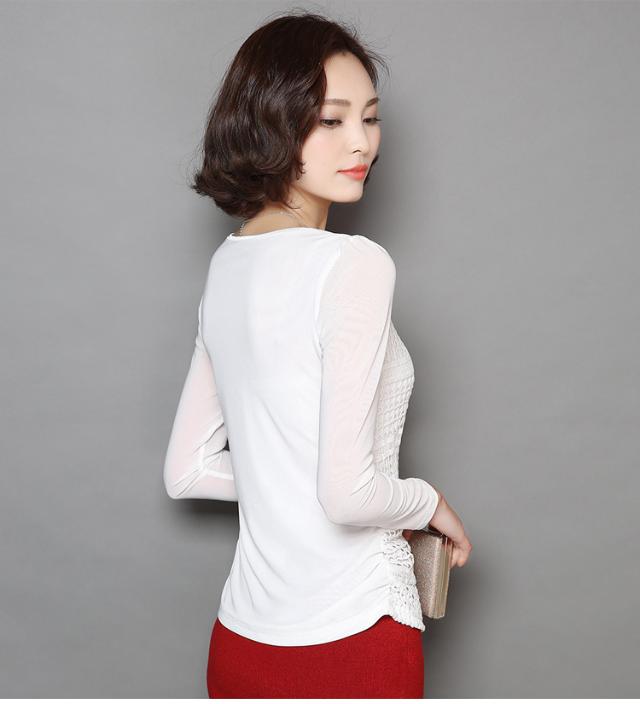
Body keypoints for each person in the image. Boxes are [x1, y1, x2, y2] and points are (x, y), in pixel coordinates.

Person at [163, 10, 472, 699]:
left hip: (240, 644)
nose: (361, 141)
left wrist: (285, 477)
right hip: (354, 640)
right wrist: (428, 502)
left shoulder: (228, 266)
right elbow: (348, 494)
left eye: (370, 117)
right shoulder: (354, 263)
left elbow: (187, 470)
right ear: (269, 124)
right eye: (331, 120)